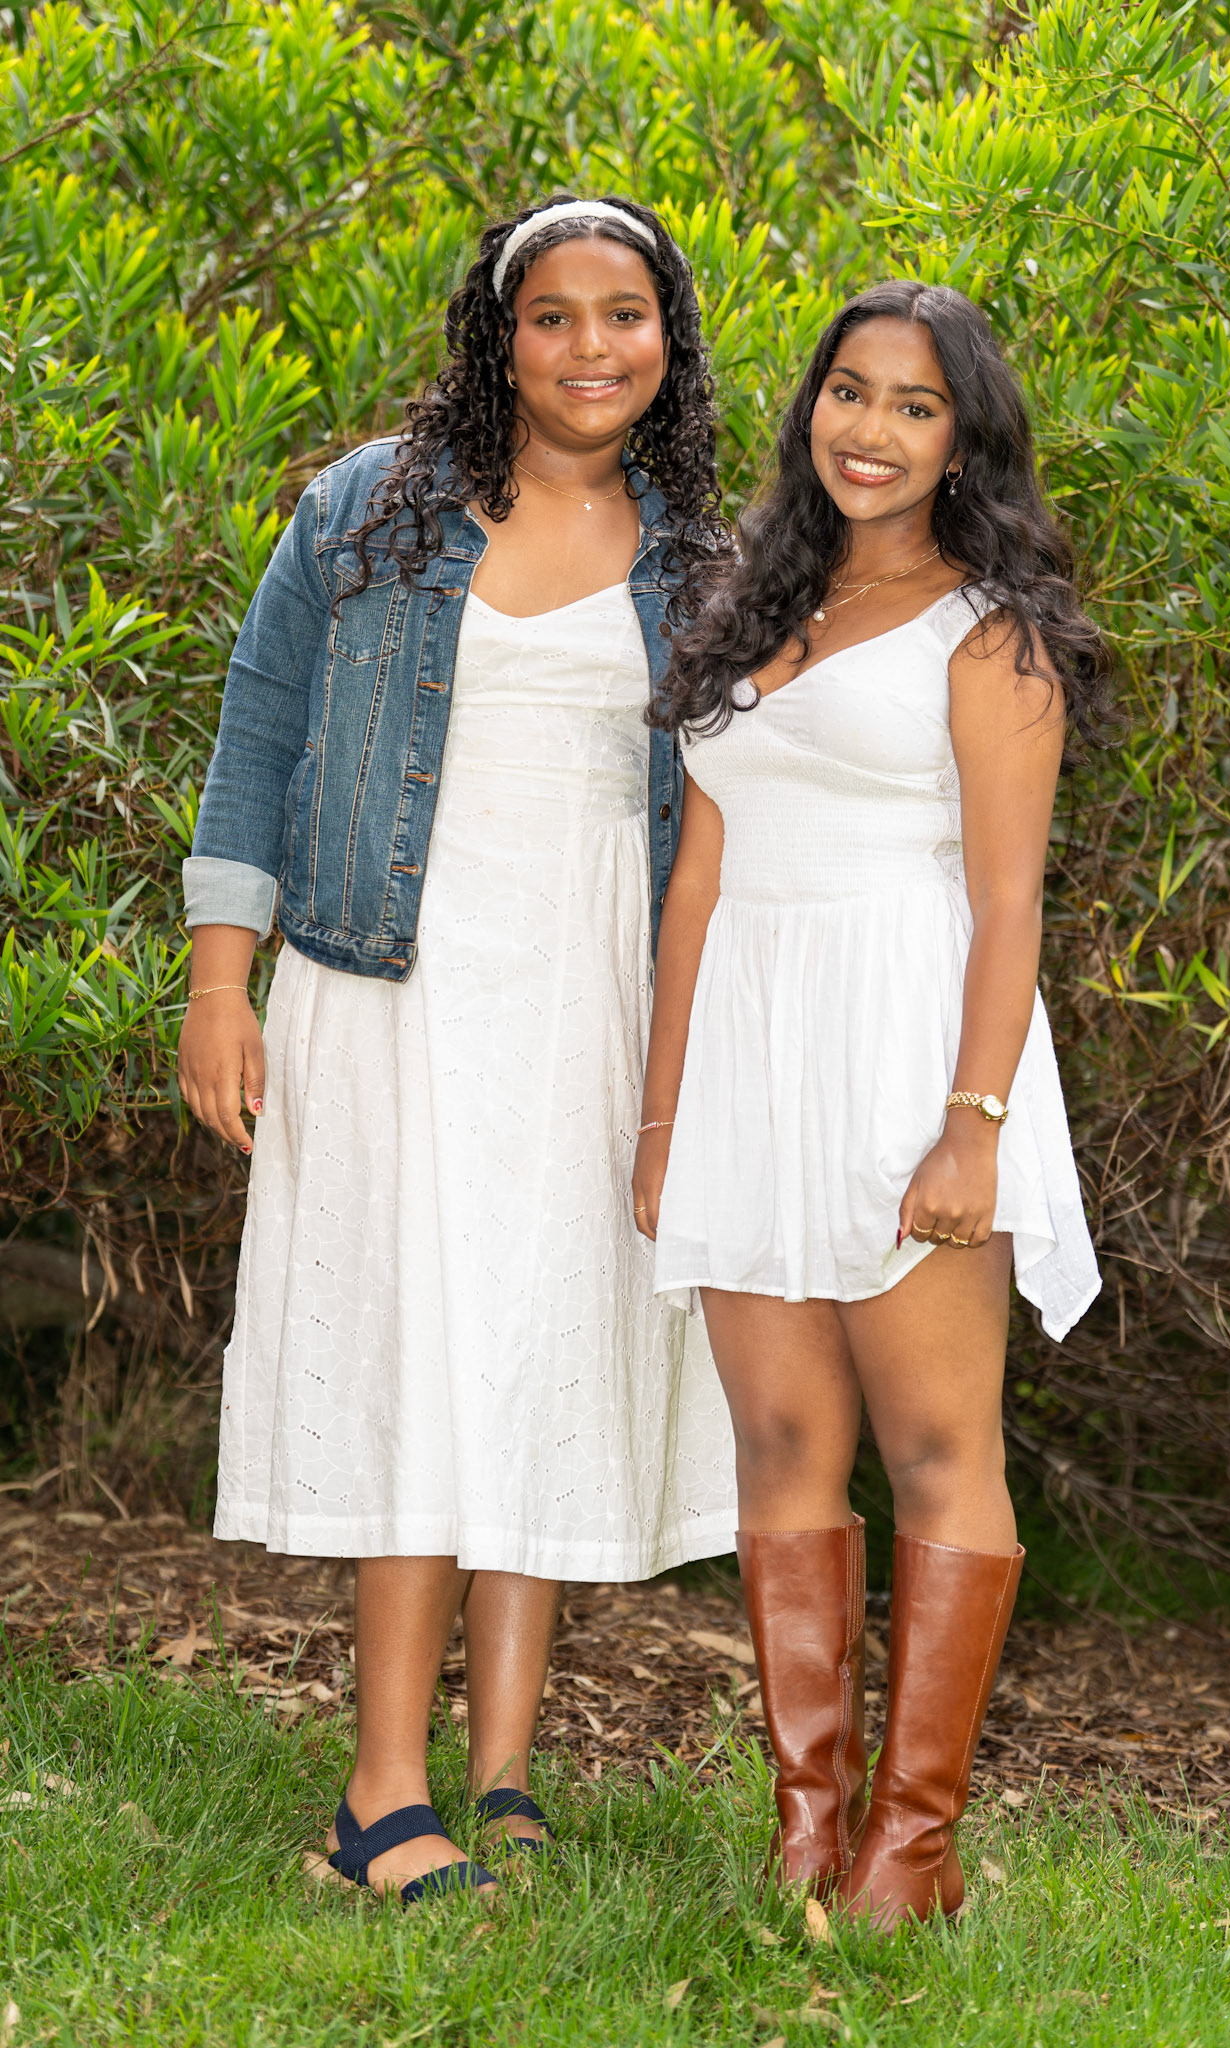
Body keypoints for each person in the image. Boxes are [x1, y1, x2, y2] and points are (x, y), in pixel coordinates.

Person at [177, 195, 737, 1903]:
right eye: (551, 314)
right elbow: (260, 727)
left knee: (539, 1346)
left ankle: (502, 1777)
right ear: (500, 337)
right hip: (386, 981)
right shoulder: (368, 507)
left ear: (667, 339)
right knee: (418, 1352)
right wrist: (220, 980)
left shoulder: (703, 552)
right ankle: (379, 1795)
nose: (589, 347)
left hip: (594, 995)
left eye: (622, 314)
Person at [634, 281, 1107, 1929]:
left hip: (908, 1046)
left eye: (915, 406)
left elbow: (1008, 899)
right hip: (748, 1055)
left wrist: (971, 1123)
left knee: (932, 1446)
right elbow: (697, 881)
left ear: (963, 441)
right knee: (780, 1441)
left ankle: (913, 1845)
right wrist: (661, 1119)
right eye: (850, 392)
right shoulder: (747, 605)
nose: (872, 431)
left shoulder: (990, 634)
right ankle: (805, 1826)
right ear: (809, 406)